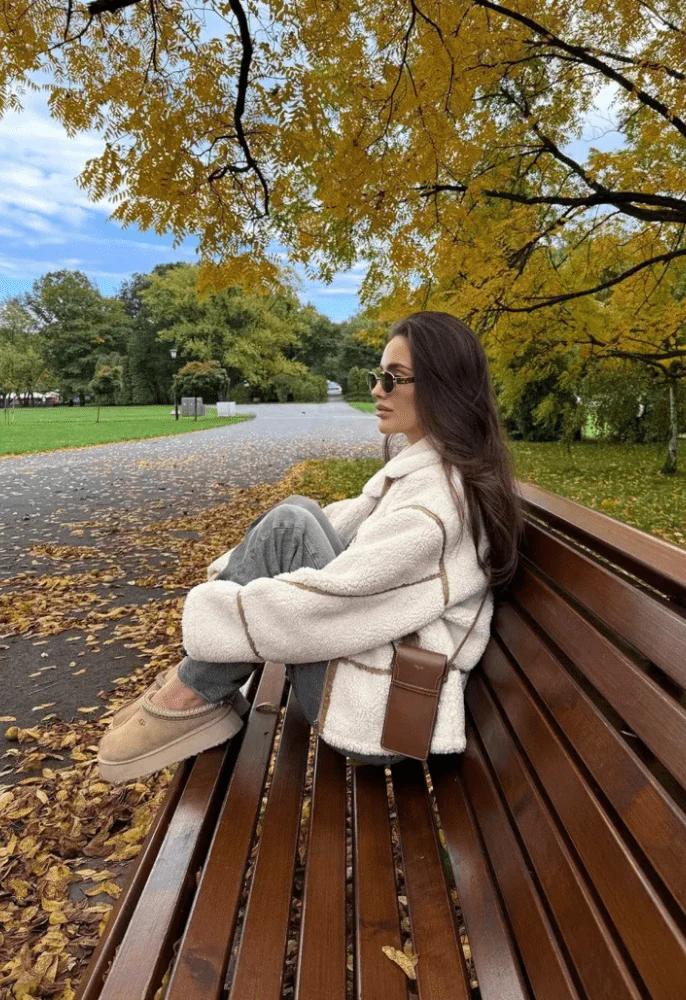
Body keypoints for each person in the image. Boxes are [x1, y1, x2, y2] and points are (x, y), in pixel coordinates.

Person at [97, 311, 525, 783]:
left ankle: (189, 692)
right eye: (378, 376)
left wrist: (227, 607)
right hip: (385, 677)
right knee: (295, 514)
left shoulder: (436, 505)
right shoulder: (435, 473)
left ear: (444, 386)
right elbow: (352, 535)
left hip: (382, 717)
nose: (377, 390)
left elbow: (344, 601)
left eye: (393, 378)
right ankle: (196, 685)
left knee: (290, 526)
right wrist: (245, 574)